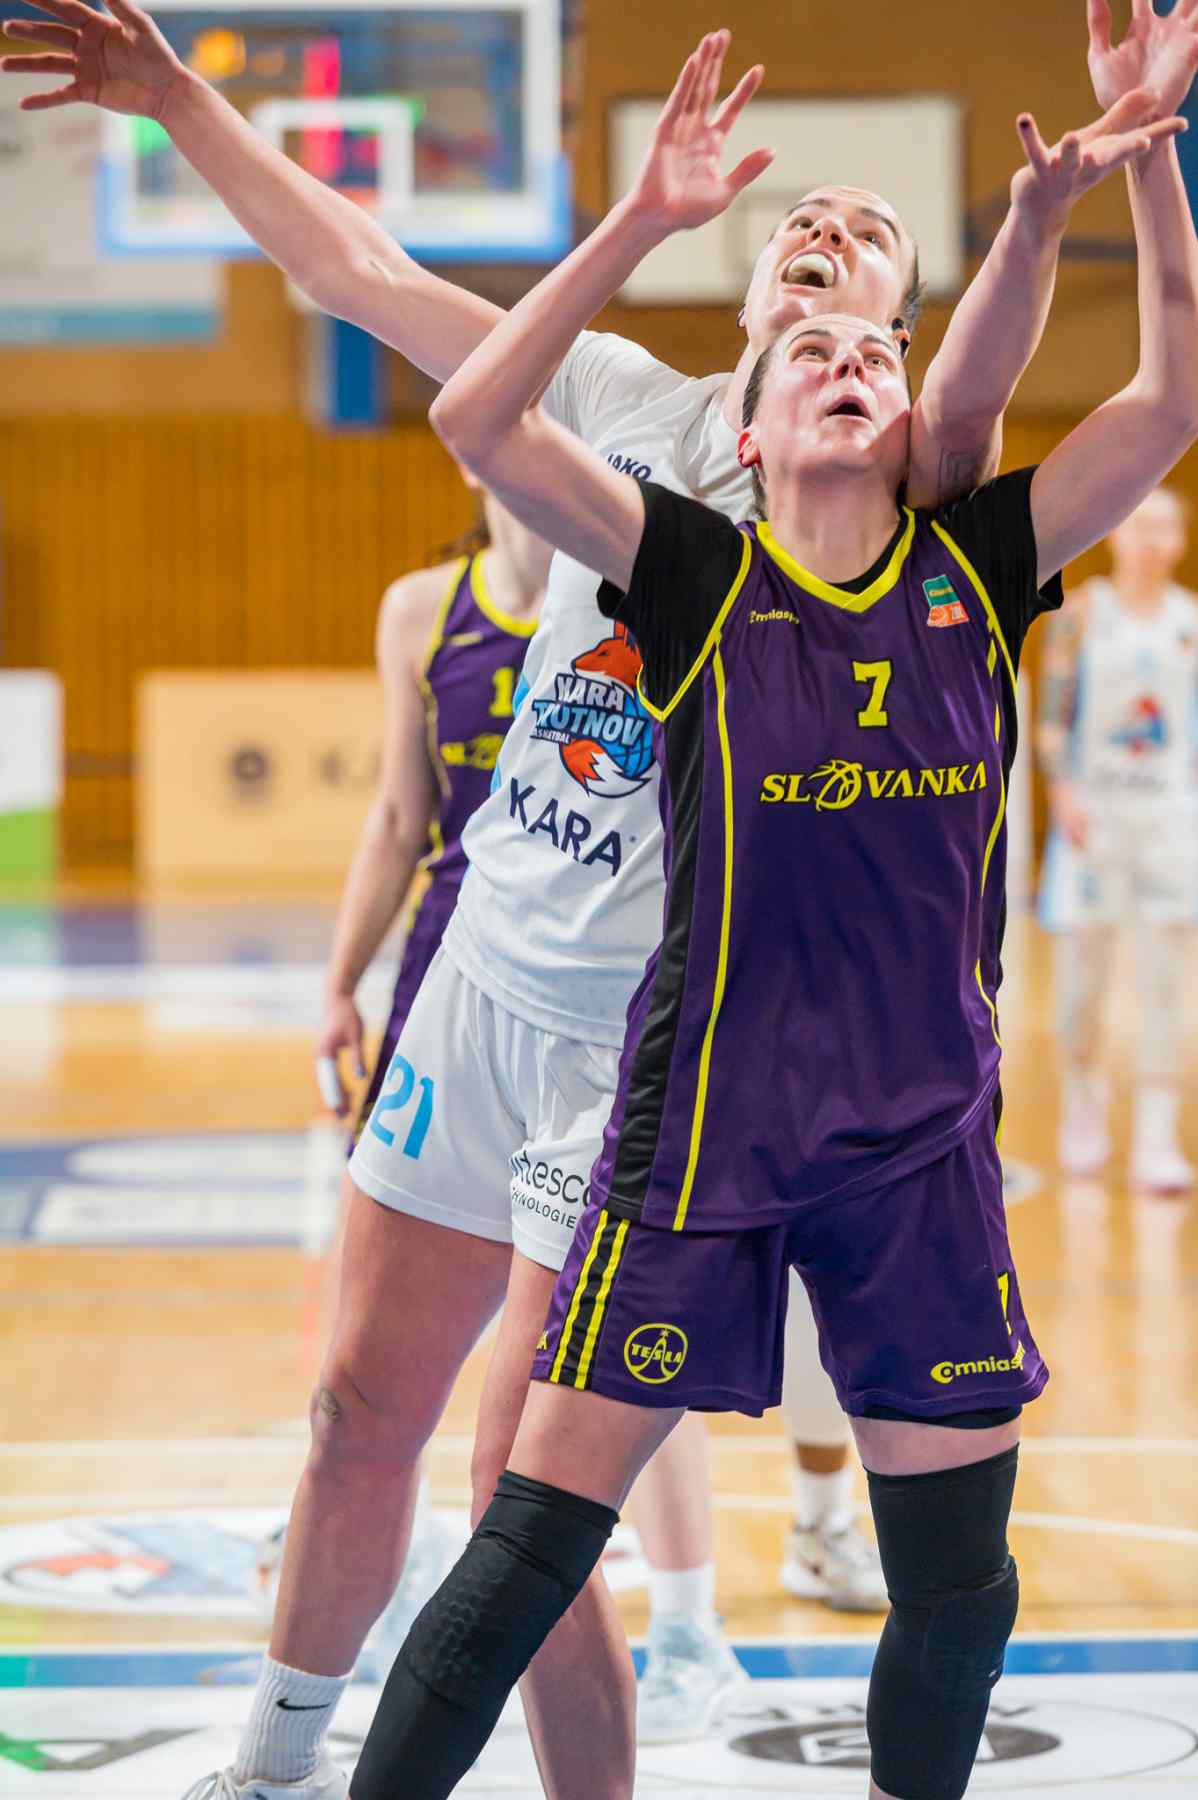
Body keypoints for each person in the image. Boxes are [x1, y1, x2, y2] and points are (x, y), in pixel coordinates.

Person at [2, 6, 1183, 1793]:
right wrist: (177, 99)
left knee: (522, 1496)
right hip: (484, 969)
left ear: (906, 326)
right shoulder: (623, 395)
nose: (827, 228)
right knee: (351, 1410)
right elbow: (359, 275)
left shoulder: (903, 476)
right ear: (749, 274)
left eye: (871, 234)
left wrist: (1078, 192)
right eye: (805, 220)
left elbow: (1048, 382)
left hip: (652, 1048)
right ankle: (272, 1759)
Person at [345, 9, 1198, 1798]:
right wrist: (637, 226)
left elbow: (1164, 396)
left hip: (913, 1146)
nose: (841, 359)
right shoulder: (691, 576)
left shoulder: (975, 564)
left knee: (954, 1592)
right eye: (805, 344)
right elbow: (477, 412)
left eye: (872, 349)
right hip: (696, 1138)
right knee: (521, 1546)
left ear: (908, 418)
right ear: (746, 414)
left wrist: (1136, 171)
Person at [1038, 485, 1197, 1192]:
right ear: (1114, 532)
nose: (1152, 539)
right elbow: (1051, 720)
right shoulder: (1080, 615)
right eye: (1140, 524)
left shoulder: (1190, 622)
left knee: (1167, 985)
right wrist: (1063, 793)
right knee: (1083, 984)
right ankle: (1082, 1110)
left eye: (1166, 527)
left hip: (1169, 817)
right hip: (1093, 815)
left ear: (1182, 540)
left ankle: (1157, 1138)